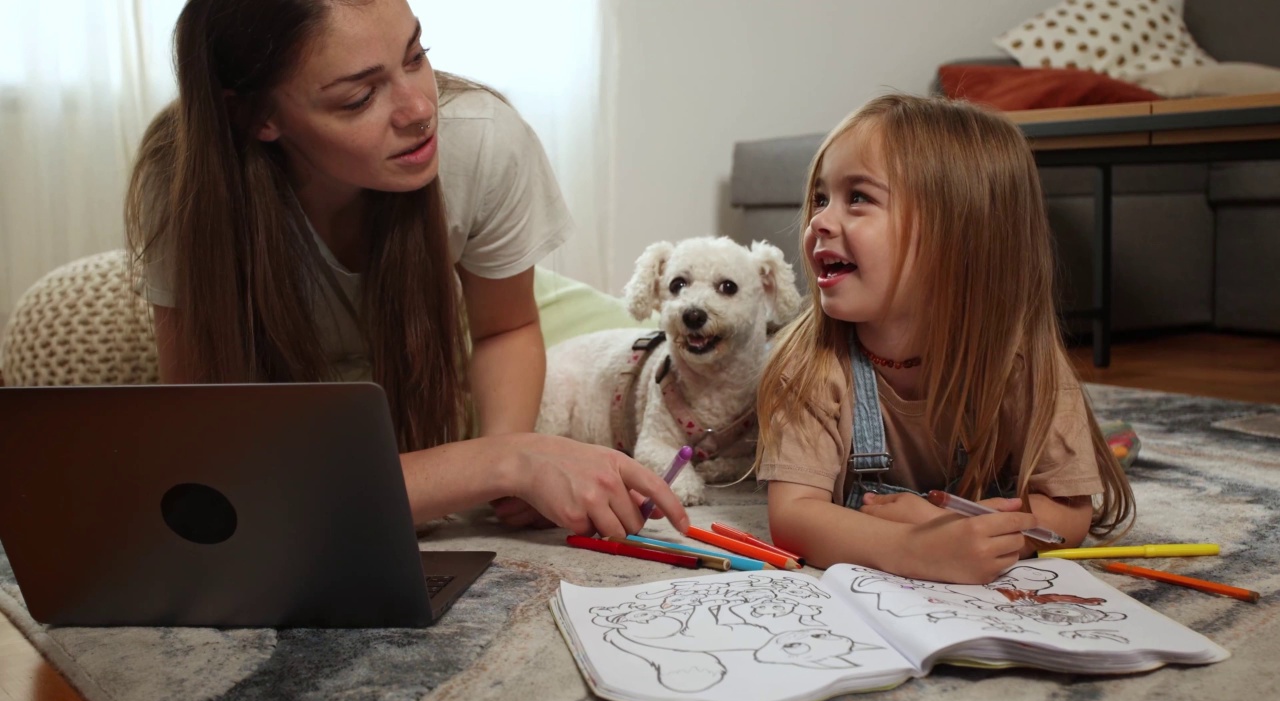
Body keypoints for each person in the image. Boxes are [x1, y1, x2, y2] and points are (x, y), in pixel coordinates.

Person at [125, 0, 688, 540]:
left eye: (416, 56)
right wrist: (504, 462)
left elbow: (506, 326)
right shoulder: (185, 182)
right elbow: (210, 456)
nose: (421, 110)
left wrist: (511, 452)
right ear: (256, 116)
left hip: (502, 330)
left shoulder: (481, 137)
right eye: (359, 96)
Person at [753, 94, 1134, 584]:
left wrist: (964, 529)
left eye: (859, 198)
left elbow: (1069, 511)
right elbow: (794, 516)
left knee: (1092, 450)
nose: (819, 221)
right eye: (822, 198)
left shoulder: (1022, 363)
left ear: (959, 234)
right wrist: (914, 549)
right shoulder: (811, 363)